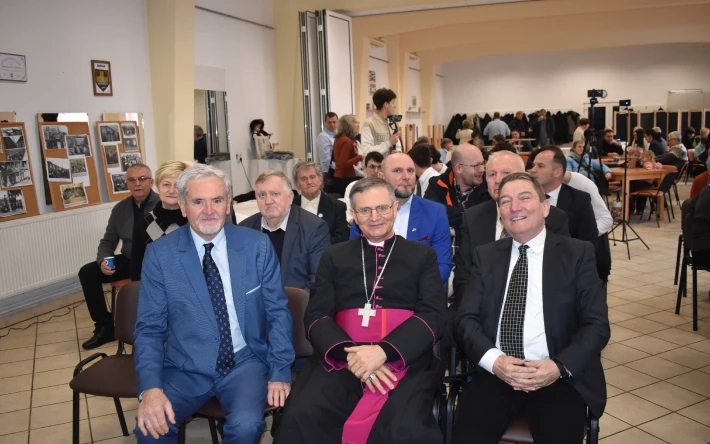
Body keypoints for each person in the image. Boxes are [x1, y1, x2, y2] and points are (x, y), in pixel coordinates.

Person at [274, 177, 446, 444]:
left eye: (382, 208)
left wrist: (383, 352)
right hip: (342, 358)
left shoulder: (422, 256)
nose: (374, 217)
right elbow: (317, 315)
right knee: (303, 415)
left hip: (404, 357)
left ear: (395, 209)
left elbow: (432, 314)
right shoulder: (334, 256)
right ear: (353, 215)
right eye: (365, 210)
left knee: (403, 429)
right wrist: (354, 357)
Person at [133, 164, 294, 443]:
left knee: (246, 427)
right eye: (198, 202)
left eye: (217, 200)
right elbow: (149, 329)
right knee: (151, 429)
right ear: (182, 206)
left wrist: (280, 370)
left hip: (244, 362)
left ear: (228, 204)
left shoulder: (256, 246)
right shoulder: (160, 255)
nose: (209, 210)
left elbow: (277, 313)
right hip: (185, 367)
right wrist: (150, 389)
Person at [453, 173, 610, 444]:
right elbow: (466, 320)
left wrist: (558, 367)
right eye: (505, 201)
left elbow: (596, 325)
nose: (515, 207)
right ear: (500, 213)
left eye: (524, 198)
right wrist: (495, 361)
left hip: (556, 375)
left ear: (545, 207)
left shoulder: (577, 254)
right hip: (498, 372)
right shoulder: (486, 256)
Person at [454, 152, 569, 306]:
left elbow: (563, 277)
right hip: (483, 309)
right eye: (492, 174)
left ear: (523, 177)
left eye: (506, 173)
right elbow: (464, 278)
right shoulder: (472, 218)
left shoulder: (553, 218)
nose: (498, 180)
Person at [78, 163, 159, 350]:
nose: (137, 184)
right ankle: (105, 327)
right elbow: (108, 241)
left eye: (142, 179)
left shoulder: (162, 205)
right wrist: (103, 260)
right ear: (127, 184)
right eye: (132, 180)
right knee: (88, 272)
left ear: (151, 182)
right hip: (129, 259)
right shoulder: (120, 209)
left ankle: (149, 328)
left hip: (153, 262)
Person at [351, 153, 452, 284]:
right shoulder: (366, 214)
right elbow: (356, 263)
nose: (406, 176)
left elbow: (442, 266)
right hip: (374, 291)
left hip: (421, 292)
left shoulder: (435, 212)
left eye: (410, 170)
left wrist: (404, 289)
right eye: (397, 171)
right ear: (382, 176)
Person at [239, 171, 330, 291]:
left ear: (290, 197)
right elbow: (239, 276)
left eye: (275, 194)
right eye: (262, 195)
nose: (268, 201)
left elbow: (318, 280)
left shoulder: (314, 228)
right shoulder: (244, 229)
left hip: (297, 301)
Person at [130, 161, 190, 281]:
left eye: (177, 185)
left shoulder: (195, 222)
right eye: (166, 184)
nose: (171, 190)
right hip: (156, 287)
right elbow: (137, 270)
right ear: (157, 187)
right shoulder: (143, 225)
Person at [528, 146, 598, 244]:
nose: (533, 170)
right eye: (533, 165)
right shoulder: (525, 197)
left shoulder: (579, 200)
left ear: (557, 172)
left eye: (540, 166)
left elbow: (588, 241)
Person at [424, 143, 491, 233]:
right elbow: (428, 211)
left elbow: (486, 222)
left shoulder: (489, 186)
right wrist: (468, 217)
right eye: (476, 166)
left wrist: (452, 228)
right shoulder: (437, 184)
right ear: (459, 168)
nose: (482, 169)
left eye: (483, 164)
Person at [290, 161, 349, 244]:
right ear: (296, 185)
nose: (309, 182)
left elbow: (341, 238)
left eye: (312, 177)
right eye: (304, 179)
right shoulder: (289, 206)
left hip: (327, 251)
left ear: (320, 179)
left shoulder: (337, 207)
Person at [345, 152, 383, 224]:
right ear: (365, 168)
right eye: (372, 166)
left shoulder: (388, 188)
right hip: (359, 226)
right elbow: (348, 215)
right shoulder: (353, 186)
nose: (376, 171)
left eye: (379, 167)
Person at [361, 88, 402, 156]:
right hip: (377, 163)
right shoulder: (369, 124)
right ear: (386, 105)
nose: (395, 106)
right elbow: (366, 151)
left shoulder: (391, 123)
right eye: (393, 102)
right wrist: (389, 143)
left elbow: (397, 144)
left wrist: (398, 151)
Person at [332, 114, 363, 197]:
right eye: (355, 123)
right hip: (346, 177)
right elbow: (343, 163)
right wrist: (359, 157)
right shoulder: (347, 141)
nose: (358, 126)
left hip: (339, 176)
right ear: (349, 125)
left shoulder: (338, 139)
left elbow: (336, 159)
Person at [316, 112, 338, 179]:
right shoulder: (323, 137)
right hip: (330, 173)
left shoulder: (338, 135)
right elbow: (326, 160)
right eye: (329, 122)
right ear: (325, 123)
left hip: (337, 171)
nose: (332, 124)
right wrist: (340, 168)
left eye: (334, 122)